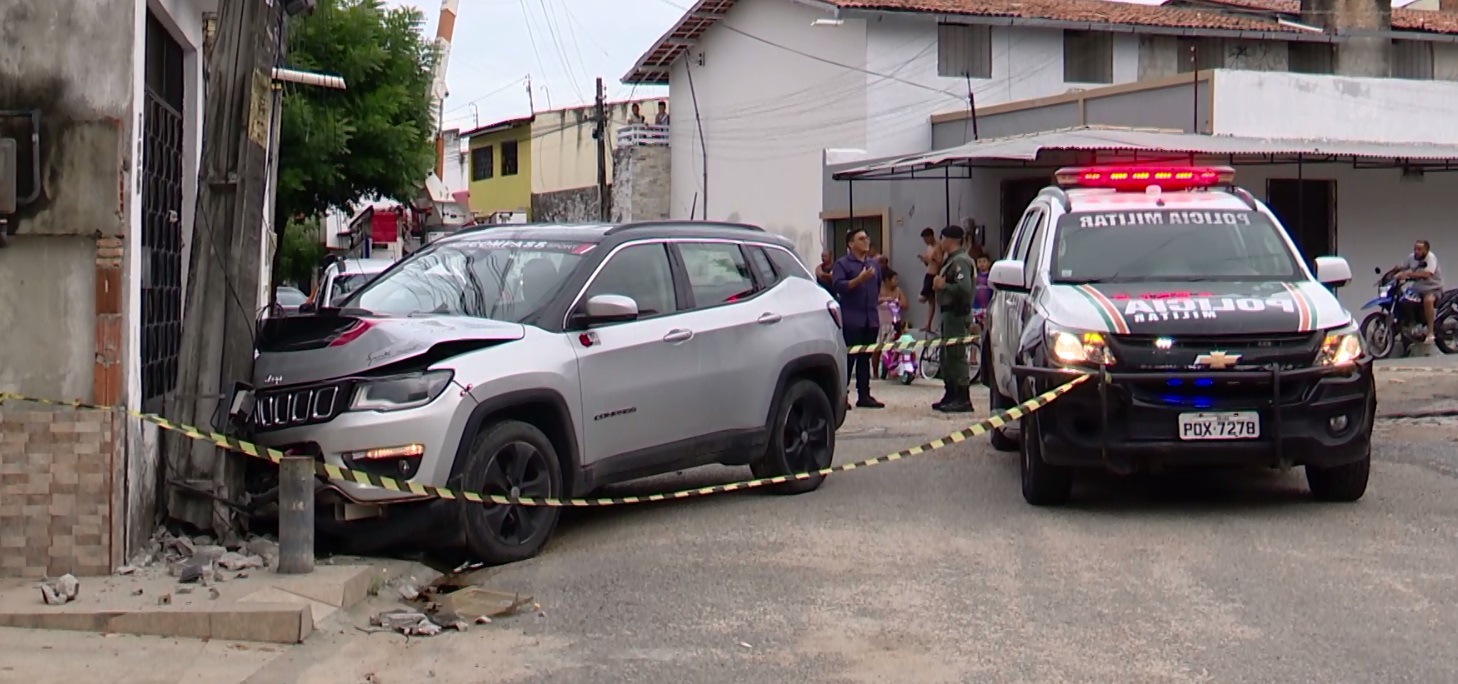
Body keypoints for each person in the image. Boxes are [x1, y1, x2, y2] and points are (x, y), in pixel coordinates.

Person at [832, 229, 885, 409]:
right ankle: (840, 396)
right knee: (849, 359)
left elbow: (877, 287)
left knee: (865, 358)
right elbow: (839, 287)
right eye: (861, 239)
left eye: (866, 238)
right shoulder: (842, 264)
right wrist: (859, 280)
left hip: (870, 318)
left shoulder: (874, 264)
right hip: (852, 318)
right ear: (851, 244)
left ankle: (864, 394)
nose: (866, 241)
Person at [932, 225, 976, 413]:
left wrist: (944, 286)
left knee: (956, 355)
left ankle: (962, 397)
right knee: (946, 355)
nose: (940, 242)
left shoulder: (961, 261)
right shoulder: (950, 260)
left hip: (957, 313)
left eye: (942, 238)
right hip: (948, 314)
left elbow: (964, 288)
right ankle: (950, 393)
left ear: (949, 240)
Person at [1389, 240, 1444, 343]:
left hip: (1433, 288)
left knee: (1428, 301)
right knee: (1404, 299)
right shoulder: (1412, 257)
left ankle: (1430, 332)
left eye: (1419, 249)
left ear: (1426, 250)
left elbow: (1427, 274)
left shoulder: (1431, 258)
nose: (1416, 251)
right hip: (1417, 289)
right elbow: (1401, 266)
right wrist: (1389, 274)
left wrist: (1408, 275)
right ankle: (1410, 323)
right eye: (1415, 249)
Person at [876, 270, 909, 376]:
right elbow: (873, 300)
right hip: (882, 323)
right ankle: (876, 372)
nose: (896, 282)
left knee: (895, 347)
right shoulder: (879, 289)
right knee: (878, 348)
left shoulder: (898, 290)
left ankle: (892, 369)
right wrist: (885, 299)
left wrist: (898, 302)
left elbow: (905, 305)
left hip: (895, 323)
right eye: (894, 279)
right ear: (887, 280)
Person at [917, 227, 943, 332]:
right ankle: (928, 324)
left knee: (922, 298)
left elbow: (941, 261)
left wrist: (935, 259)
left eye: (926, 239)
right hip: (928, 273)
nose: (925, 242)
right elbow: (928, 263)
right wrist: (924, 260)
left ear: (931, 236)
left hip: (934, 275)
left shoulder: (938, 246)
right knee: (931, 302)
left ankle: (929, 324)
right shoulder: (929, 247)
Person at [971, 254, 993, 330]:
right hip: (976, 307)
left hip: (987, 306)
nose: (982, 264)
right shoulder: (975, 277)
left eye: (984, 261)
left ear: (989, 263)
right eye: (979, 262)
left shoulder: (991, 277)